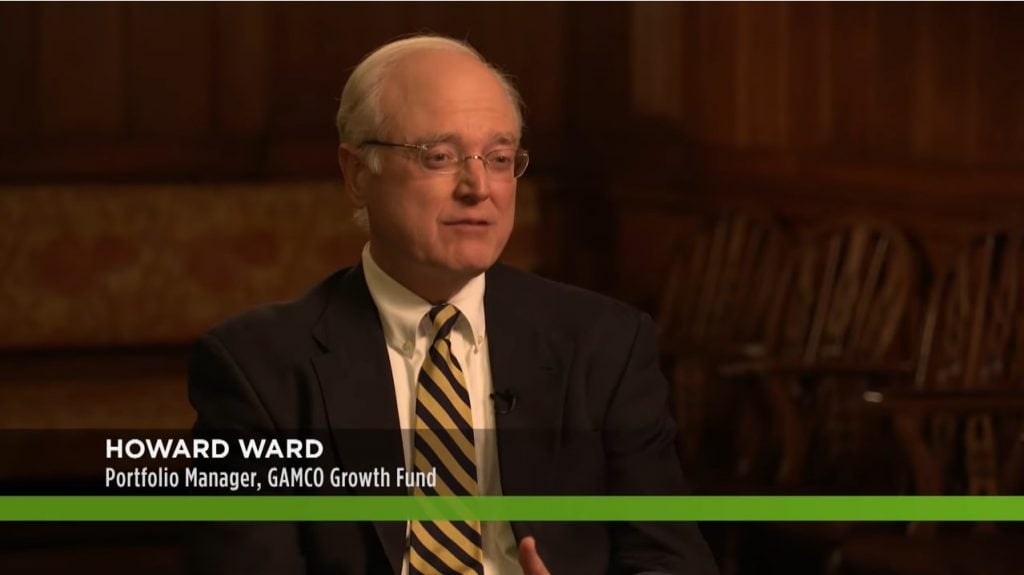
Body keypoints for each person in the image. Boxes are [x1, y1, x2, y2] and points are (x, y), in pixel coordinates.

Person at [188, 34, 717, 575]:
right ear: (357, 173)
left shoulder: (605, 343)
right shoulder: (257, 369)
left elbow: (671, 559)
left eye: (500, 158)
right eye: (439, 157)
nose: (478, 186)